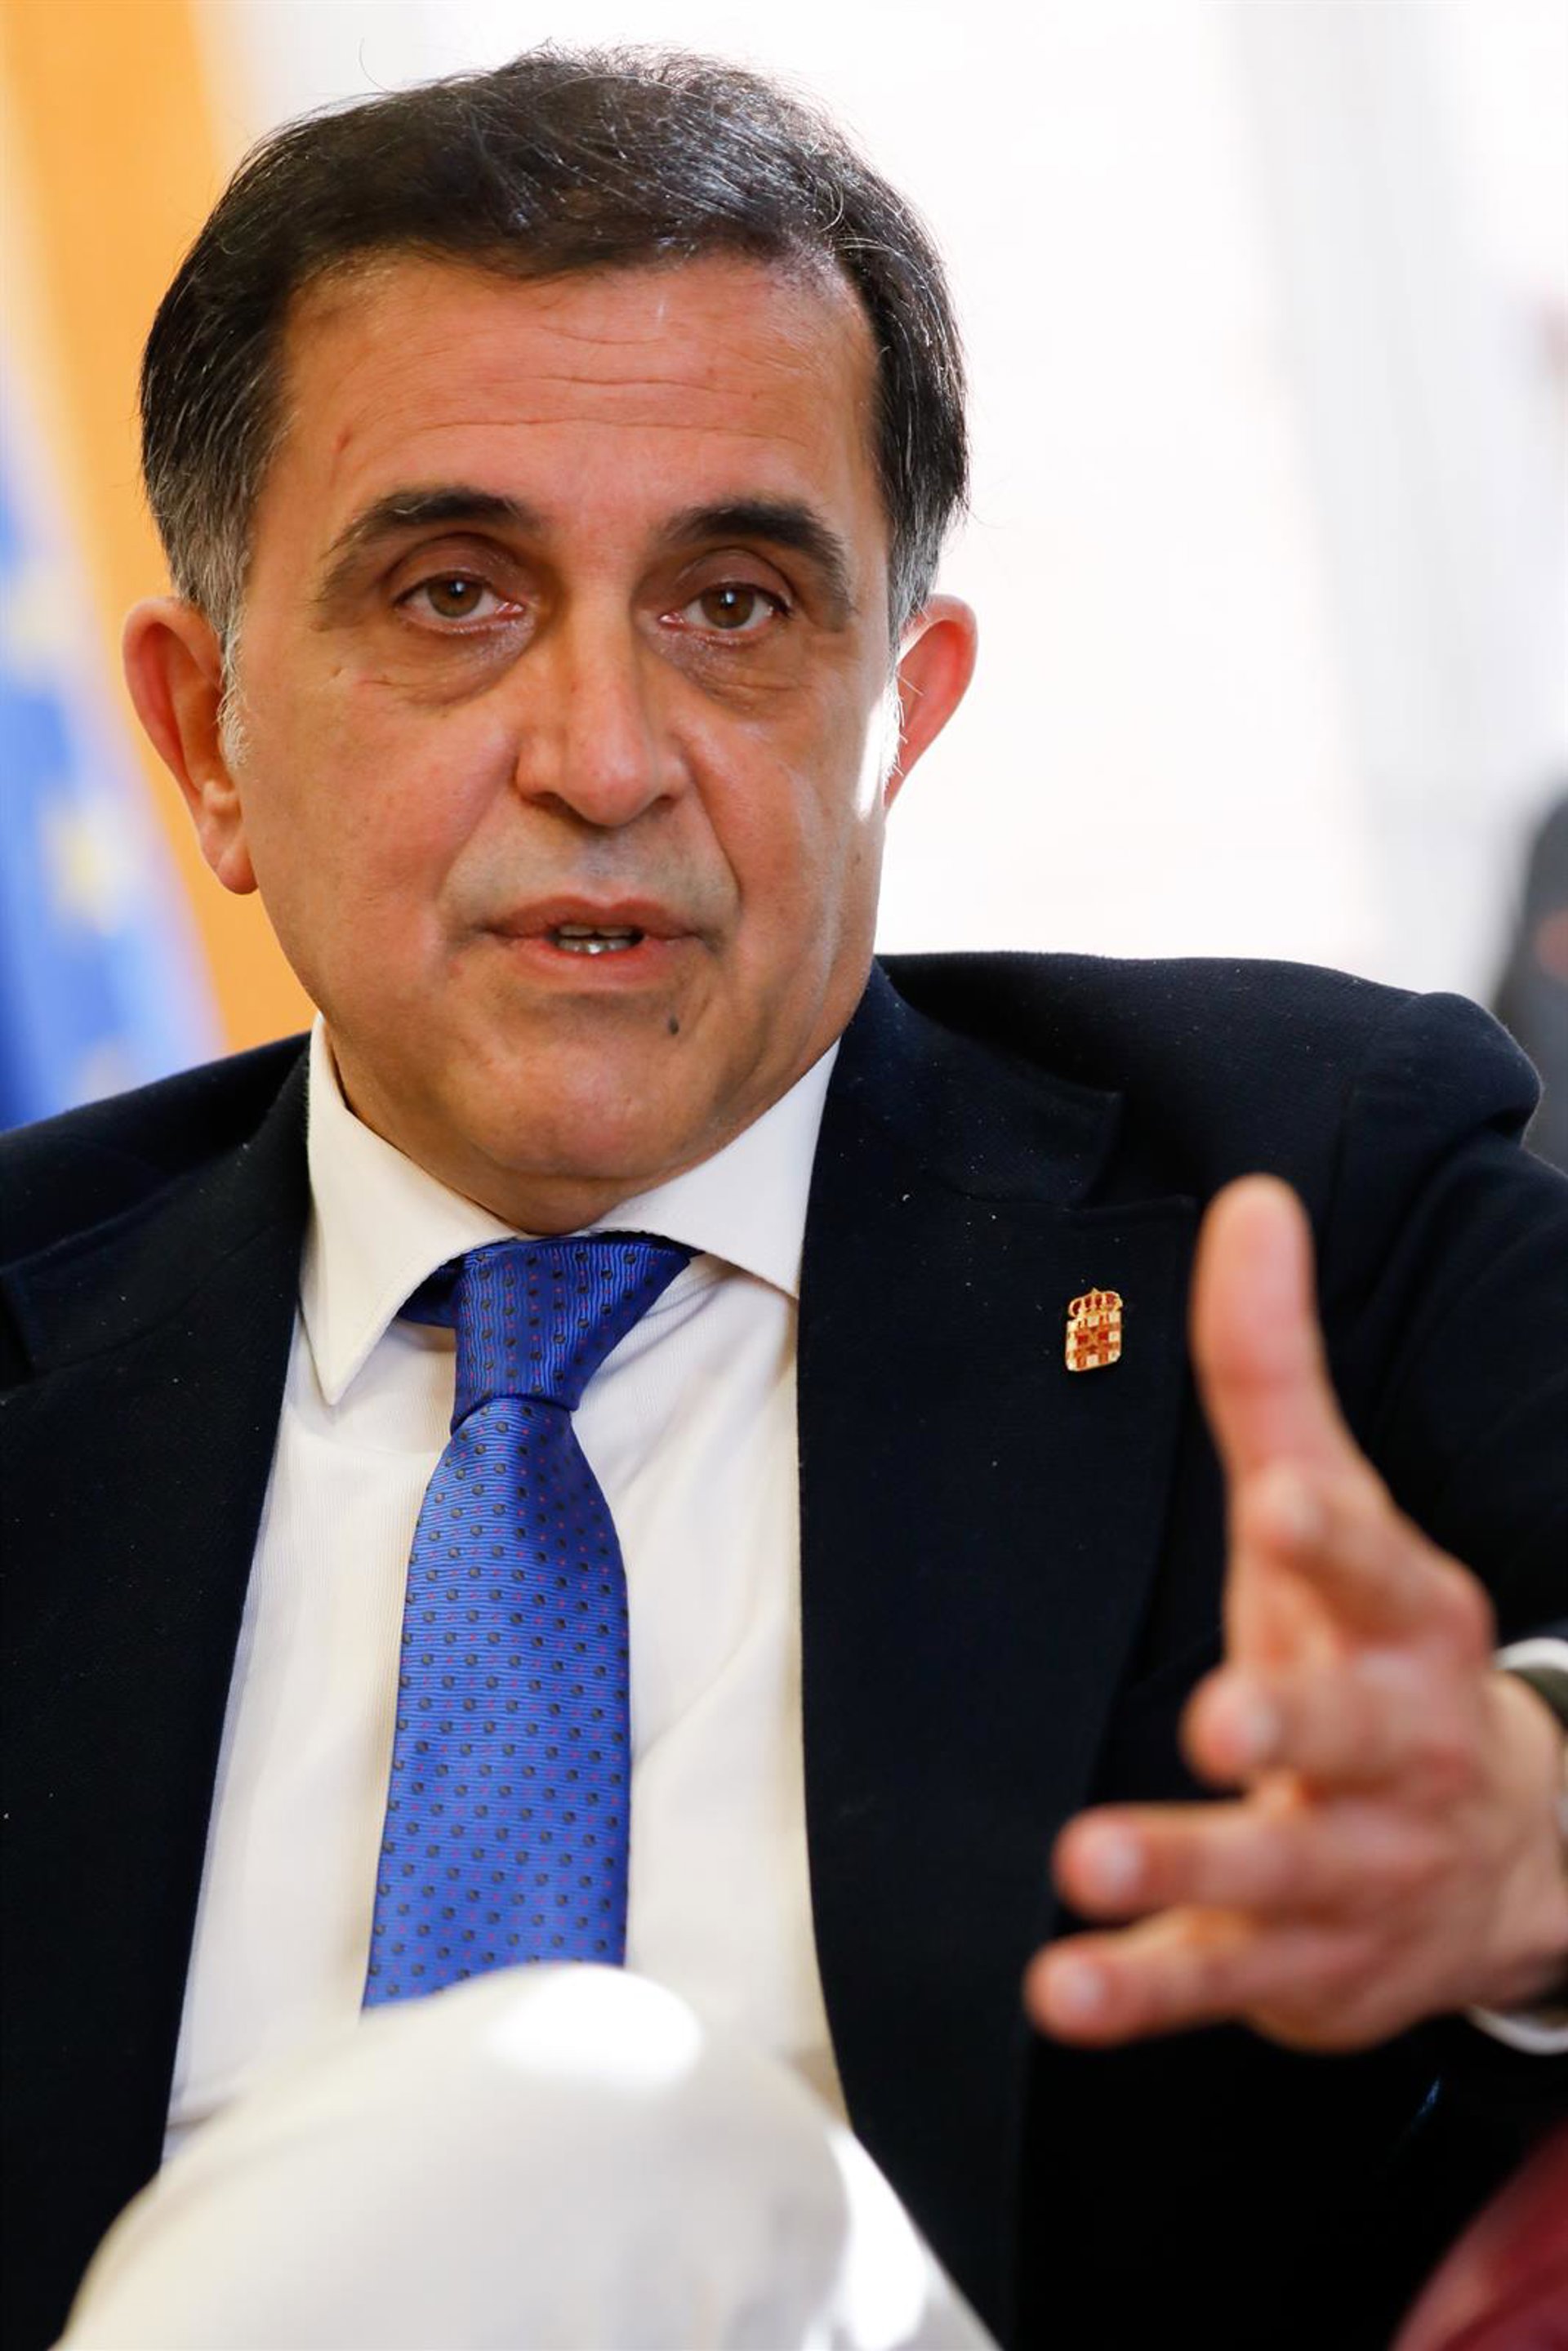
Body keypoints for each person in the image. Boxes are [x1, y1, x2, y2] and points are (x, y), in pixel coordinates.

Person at [2, 45, 1565, 2351]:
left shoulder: (1297, 1181)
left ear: (900, 710)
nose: (605, 757)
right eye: (453, 593)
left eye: (733, 606)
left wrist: (1529, 1821)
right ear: (204, 735)